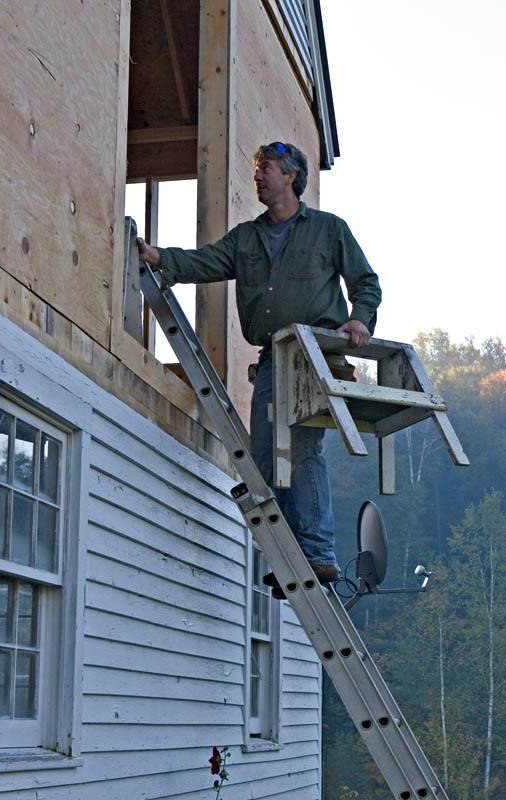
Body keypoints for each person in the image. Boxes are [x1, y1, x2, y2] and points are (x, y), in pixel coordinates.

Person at [137, 142, 381, 597]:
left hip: (314, 353)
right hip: (273, 358)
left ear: (290, 176)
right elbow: (204, 261)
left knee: (303, 447)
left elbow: (365, 281)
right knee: (268, 457)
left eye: (264, 168)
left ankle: (318, 551)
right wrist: (159, 258)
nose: (257, 176)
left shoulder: (328, 230)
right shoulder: (247, 238)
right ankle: (291, 555)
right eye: (255, 169)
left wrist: (360, 320)